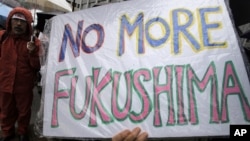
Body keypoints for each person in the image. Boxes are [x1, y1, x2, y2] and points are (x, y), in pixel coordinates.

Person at [0, 7, 41, 141]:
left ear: (28, 24)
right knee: (5, 111)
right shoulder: (2, 37)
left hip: (24, 87)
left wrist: (33, 52)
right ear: (10, 22)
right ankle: (7, 132)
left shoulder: (34, 42)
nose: (18, 24)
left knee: (24, 112)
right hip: (4, 84)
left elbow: (37, 66)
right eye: (15, 20)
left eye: (22, 22)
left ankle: (23, 131)